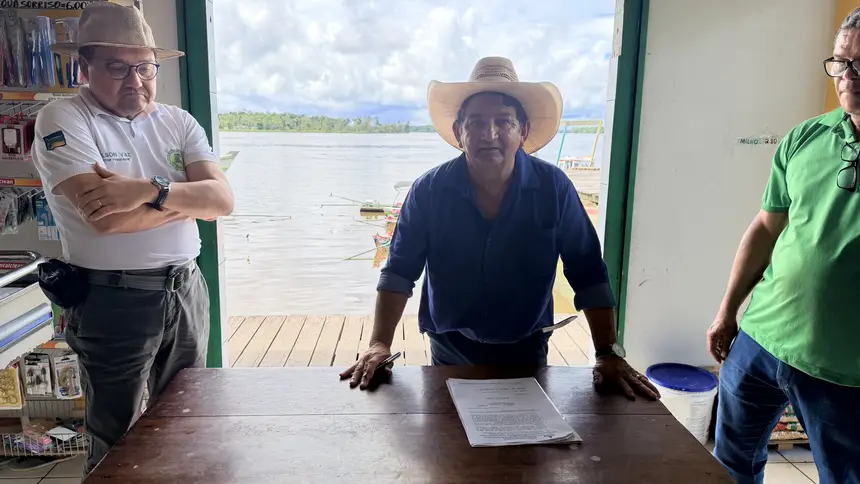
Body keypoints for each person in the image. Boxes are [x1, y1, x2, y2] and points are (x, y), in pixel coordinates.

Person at [340, 57, 659, 401]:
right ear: (458, 133)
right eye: (475, 122)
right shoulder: (428, 191)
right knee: (447, 430)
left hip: (528, 347)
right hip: (449, 348)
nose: (489, 134)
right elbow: (399, 272)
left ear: (523, 131)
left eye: (503, 121)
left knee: (529, 433)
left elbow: (588, 271)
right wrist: (379, 344)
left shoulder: (554, 188)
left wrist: (607, 352)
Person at [31, 3, 234, 473]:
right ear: (84, 67)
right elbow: (105, 221)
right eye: (117, 68)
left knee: (187, 418)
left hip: (186, 288)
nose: (135, 81)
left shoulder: (178, 121)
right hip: (111, 298)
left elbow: (222, 201)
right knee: (115, 435)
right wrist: (189, 203)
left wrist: (147, 191)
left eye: (145, 67)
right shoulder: (63, 119)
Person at [707, 9, 860, 484]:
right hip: (761, 339)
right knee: (731, 462)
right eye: (841, 62)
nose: (848, 76)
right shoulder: (805, 137)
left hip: (843, 369)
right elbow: (766, 228)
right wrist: (727, 311)